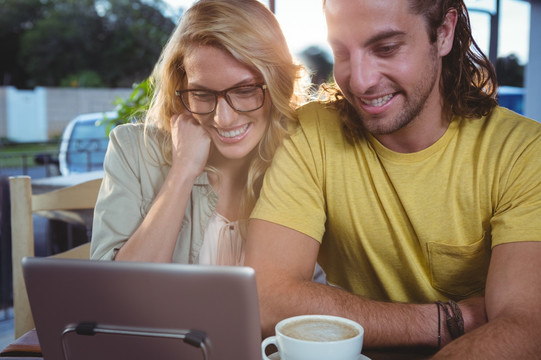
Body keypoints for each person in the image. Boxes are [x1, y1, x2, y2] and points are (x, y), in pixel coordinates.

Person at [244, 0, 541, 358]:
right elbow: (266, 297)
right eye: (341, 51)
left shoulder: (523, 152)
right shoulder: (311, 134)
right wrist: (449, 320)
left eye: (385, 48)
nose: (361, 80)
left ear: (444, 33)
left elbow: (528, 328)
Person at [90, 0, 306, 266]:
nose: (222, 118)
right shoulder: (133, 150)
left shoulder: (304, 155)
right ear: (180, 85)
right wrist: (181, 171)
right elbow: (116, 292)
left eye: (245, 90)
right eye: (202, 94)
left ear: (277, 83)